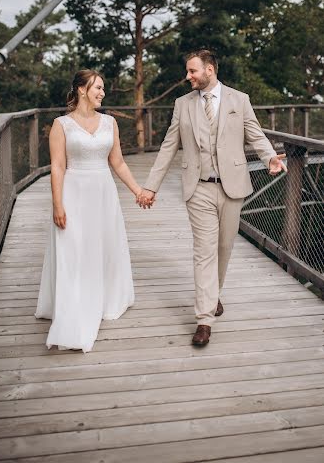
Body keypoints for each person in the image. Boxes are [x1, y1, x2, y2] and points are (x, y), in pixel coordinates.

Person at [137, 49, 286, 347]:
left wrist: (269, 156)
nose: (188, 76)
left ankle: (213, 294)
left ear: (210, 70)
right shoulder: (182, 105)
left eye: (193, 71)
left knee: (224, 247)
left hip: (232, 187)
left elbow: (255, 134)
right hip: (198, 187)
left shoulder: (238, 100)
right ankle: (204, 318)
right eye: (188, 71)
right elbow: (169, 146)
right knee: (204, 250)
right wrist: (151, 185)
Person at [36, 69, 142, 352]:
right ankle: (74, 303)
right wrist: (58, 204)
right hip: (74, 192)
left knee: (102, 246)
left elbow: (118, 162)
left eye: (103, 89)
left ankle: (104, 296)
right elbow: (57, 167)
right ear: (82, 90)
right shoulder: (61, 125)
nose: (102, 93)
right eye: (98, 88)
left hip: (104, 192)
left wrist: (138, 191)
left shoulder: (110, 122)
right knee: (74, 248)